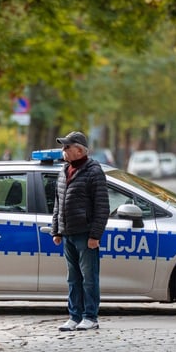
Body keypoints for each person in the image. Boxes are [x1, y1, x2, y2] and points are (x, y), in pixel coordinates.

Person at [51, 131, 110, 331]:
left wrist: (95, 235)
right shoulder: (64, 170)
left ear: (79, 150)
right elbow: (58, 203)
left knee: (89, 277)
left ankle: (90, 316)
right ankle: (74, 316)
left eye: (67, 147)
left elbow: (102, 206)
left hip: (85, 234)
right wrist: (56, 231)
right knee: (73, 278)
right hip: (68, 233)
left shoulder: (94, 171)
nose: (63, 150)